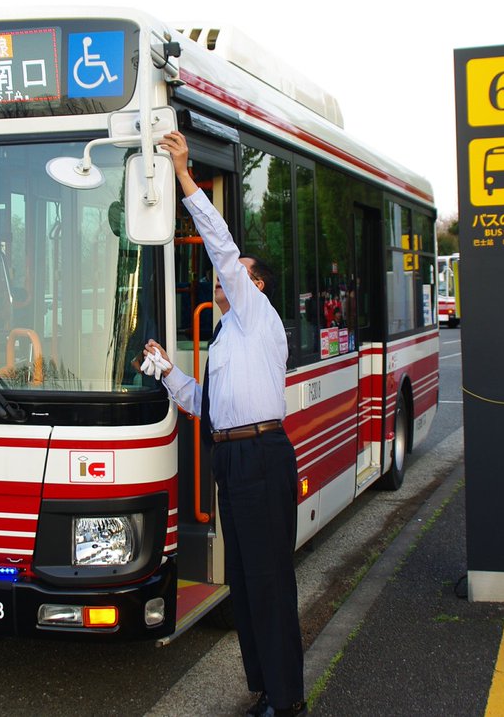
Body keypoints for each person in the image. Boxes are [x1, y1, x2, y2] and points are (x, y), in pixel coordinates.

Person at [142, 131, 304, 717]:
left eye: (233, 275)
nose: (220, 280)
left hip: (262, 457)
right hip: (232, 459)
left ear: (254, 285)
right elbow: (206, 404)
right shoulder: (226, 338)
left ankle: (286, 700)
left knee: (269, 582)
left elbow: (220, 245)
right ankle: (263, 686)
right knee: (244, 579)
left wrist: (184, 175)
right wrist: (165, 372)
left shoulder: (258, 317)